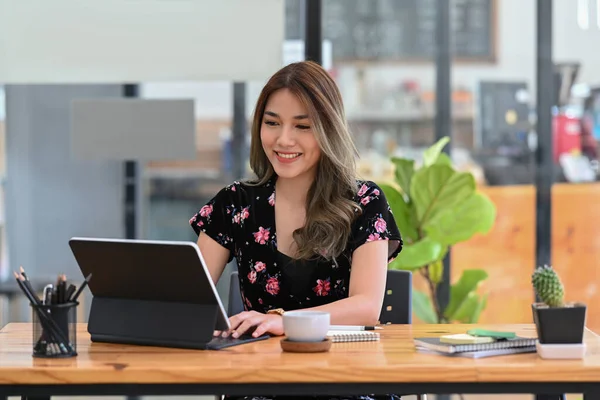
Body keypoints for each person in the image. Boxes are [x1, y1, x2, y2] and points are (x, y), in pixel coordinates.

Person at [189, 61, 403, 400]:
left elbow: (366, 307)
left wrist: (284, 320)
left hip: (347, 383)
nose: (283, 139)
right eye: (272, 123)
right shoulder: (235, 202)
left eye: (302, 126)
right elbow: (188, 295)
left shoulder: (365, 201)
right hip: (259, 382)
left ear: (328, 129)